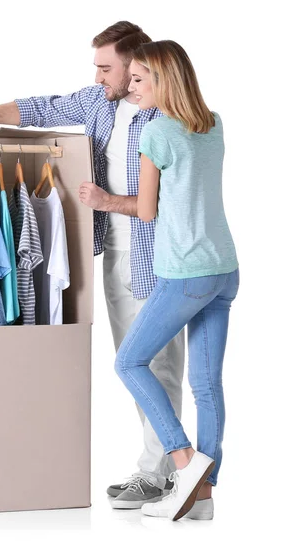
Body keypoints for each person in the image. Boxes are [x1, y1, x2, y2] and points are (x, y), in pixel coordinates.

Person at [0, 21, 186, 509]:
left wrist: (106, 200)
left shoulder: (166, 112)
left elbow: (176, 195)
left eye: (107, 68)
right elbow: (41, 107)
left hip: (159, 252)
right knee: (133, 362)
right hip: (117, 252)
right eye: (96, 69)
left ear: (135, 63)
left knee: (158, 363)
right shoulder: (99, 102)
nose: (99, 77)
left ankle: (161, 473)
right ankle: (164, 469)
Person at [114, 40, 239, 521]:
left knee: (129, 361)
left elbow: (145, 212)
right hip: (224, 269)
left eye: (140, 78)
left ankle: (184, 463)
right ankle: (203, 495)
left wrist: (107, 200)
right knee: (206, 384)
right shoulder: (213, 123)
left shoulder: (156, 133)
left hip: (184, 273)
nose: (132, 86)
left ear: (163, 80)